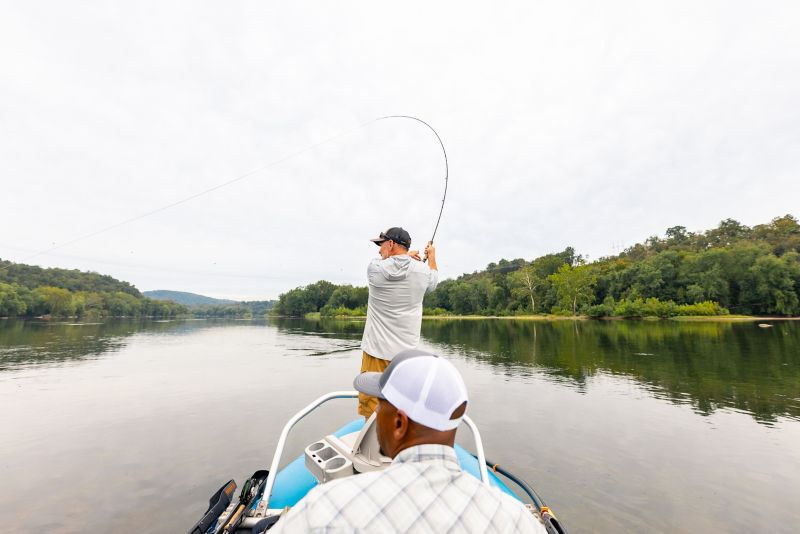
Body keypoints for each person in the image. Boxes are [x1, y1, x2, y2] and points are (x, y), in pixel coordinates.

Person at [269, 350, 546, 534]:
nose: (375, 415)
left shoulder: (326, 506)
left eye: (380, 406)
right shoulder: (516, 520)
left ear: (399, 424)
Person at [358, 227, 438, 418]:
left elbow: (394, 266)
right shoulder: (423, 271)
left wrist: (408, 258)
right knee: (400, 405)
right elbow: (433, 282)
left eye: (381, 244)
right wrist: (431, 256)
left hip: (376, 352)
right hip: (406, 358)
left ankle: (374, 443)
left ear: (391, 244)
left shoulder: (374, 268)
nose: (379, 250)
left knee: (372, 407)